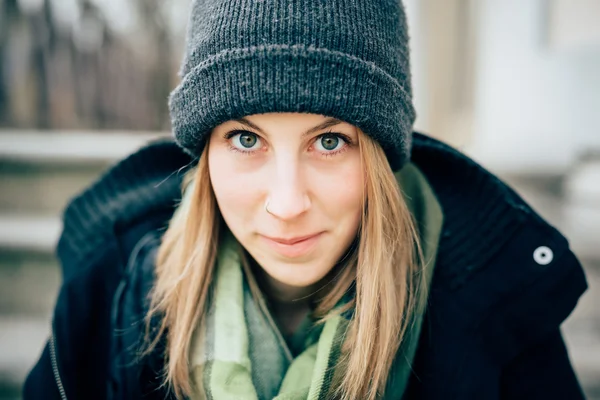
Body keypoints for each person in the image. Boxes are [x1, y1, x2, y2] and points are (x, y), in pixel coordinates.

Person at [23, 0, 588, 399]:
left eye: (329, 141)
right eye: (246, 139)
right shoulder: (110, 293)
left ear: (380, 158)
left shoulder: (502, 306)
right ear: (205, 152)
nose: (287, 203)